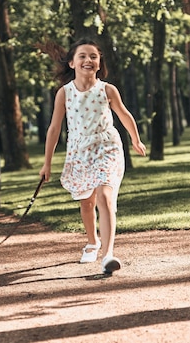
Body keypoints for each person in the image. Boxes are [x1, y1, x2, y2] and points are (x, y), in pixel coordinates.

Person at [38, 38, 147, 274]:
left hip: (107, 147)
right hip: (79, 151)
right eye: (82, 56)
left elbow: (124, 114)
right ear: (72, 63)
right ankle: (92, 242)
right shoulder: (64, 93)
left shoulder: (107, 89)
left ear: (99, 63)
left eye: (93, 56)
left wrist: (136, 139)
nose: (88, 60)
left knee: (104, 195)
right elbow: (54, 128)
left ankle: (108, 255)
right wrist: (47, 163)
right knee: (87, 202)